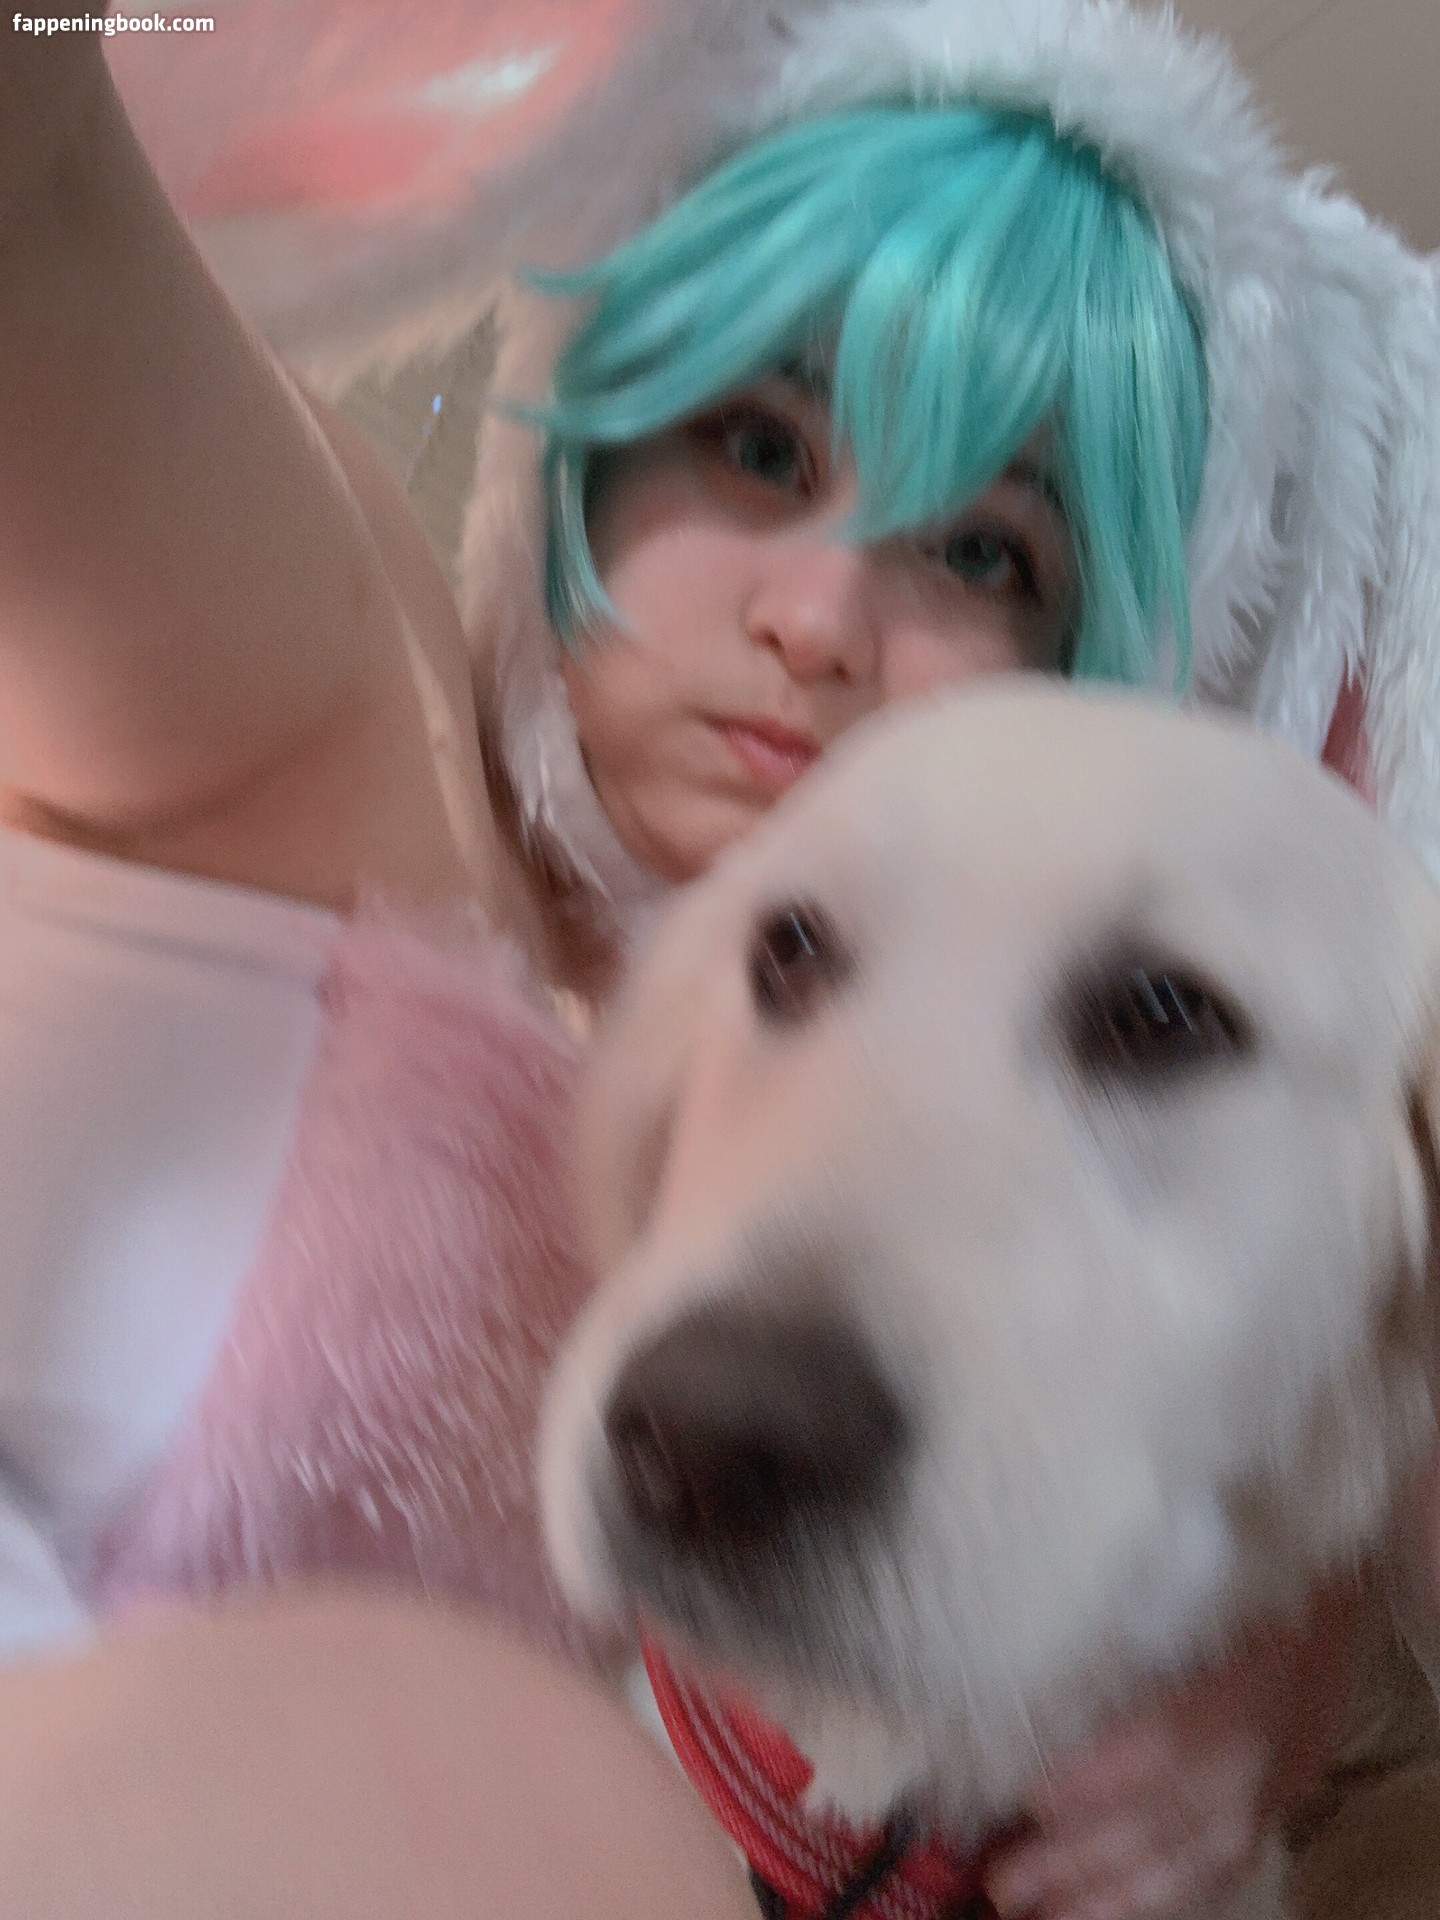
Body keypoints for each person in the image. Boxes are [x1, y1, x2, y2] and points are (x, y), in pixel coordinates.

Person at [0, 4, 1438, 1918]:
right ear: (586, 442)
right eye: (760, 446)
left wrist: (1276, 1632)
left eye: (989, 554)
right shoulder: (331, 720)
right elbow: (40, 180)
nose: (823, 617)